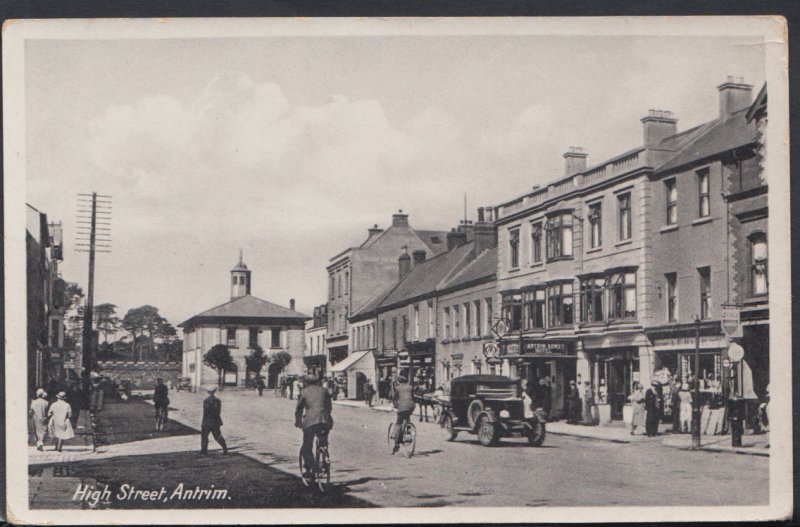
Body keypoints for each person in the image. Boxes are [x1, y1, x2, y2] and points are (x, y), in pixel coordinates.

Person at [295, 374, 333, 479]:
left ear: (306, 383)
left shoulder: (304, 392)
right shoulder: (324, 391)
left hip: (310, 422)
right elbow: (329, 406)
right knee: (323, 440)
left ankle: (313, 467)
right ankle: (324, 456)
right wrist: (327, 416)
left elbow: (299, 409)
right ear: (317, 382)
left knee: (307, 446)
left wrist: (298, 421)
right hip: (324, 421)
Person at [200, 386, 228, 455]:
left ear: (208, 392)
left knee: (204, 436)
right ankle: (225, 449)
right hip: (215, 421)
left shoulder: (206, 400)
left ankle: (204, 451)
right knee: (217, 436)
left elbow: (205, 412)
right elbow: (218, 411)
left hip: (207, 421)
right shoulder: (218, 400)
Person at [391, 376, 416, 454]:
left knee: (398, 424)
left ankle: (396, 445)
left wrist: (395, 405)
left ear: (399, 381)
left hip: (402, 407)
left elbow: (394, 398)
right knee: (407, 416)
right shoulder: (410, 387)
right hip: (411, 406)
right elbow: (413, 397)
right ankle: (408, 428)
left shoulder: (398, 388)